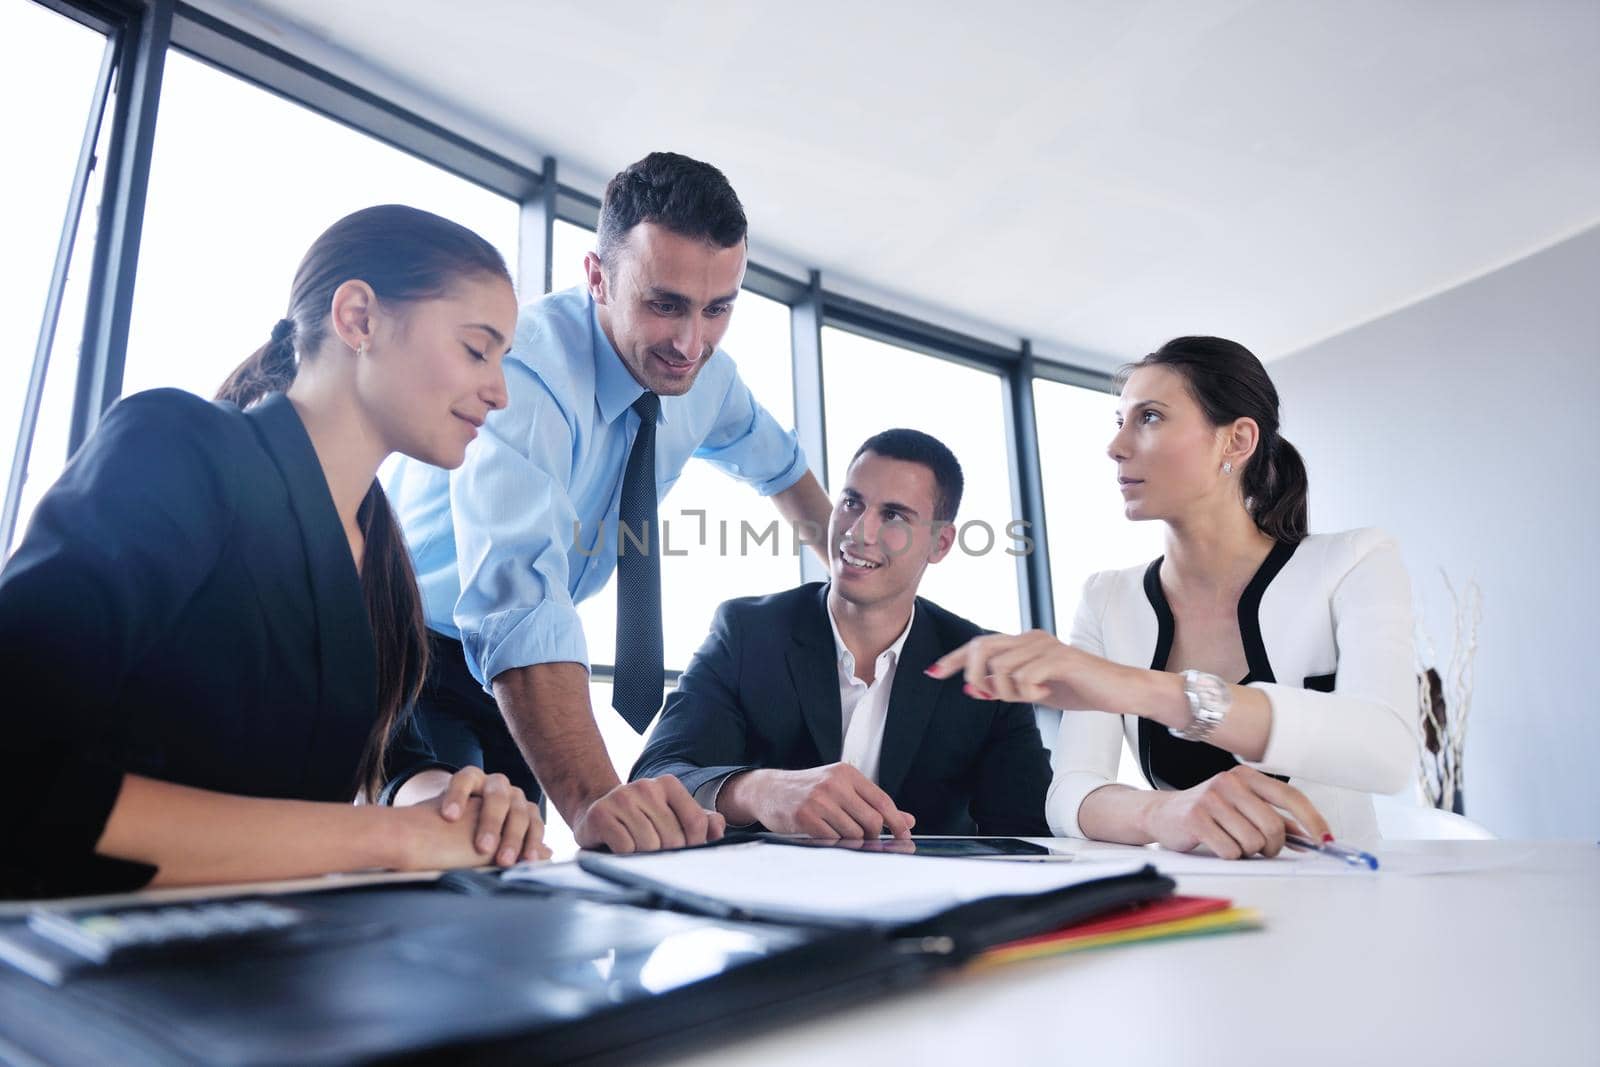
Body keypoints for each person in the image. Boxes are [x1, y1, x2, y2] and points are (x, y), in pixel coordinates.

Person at [0, 205, 548, 898]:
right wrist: (391, 840)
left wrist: (451, 806)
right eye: (477, 349)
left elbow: (388, 755)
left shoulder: (378, 553)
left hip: (252, 963)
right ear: (358, 318)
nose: (498, 391)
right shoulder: (178, 447)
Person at [384, 152, 834, 854]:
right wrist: (596, 799)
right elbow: (519, 596)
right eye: (665, 304)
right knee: (449, 847)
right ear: (597, 276)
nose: (692, 343)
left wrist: (852, 569)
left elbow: (778, 462)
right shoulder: (527, 368)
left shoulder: (709, 381)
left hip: (518, 676)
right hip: (407, 639)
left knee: (514, 878)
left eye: (718, 309)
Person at [928, 336, 1416, 855]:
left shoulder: (1354, 562)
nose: (1116, 447)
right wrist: (1160, 812)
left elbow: (1386, 750)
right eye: (1120, 422)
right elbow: (1069, 793)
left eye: (1151, 418)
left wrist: (1139, 689)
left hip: (1343, 904)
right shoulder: (1107, 598)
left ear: (1236, 441)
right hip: (1188, 908)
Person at [632, 429, 1051, 839]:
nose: (857, 532)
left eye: (893, 515)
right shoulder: (748, 632)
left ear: (939, 543)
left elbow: (1032, 831)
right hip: (765, 898)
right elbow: (658, 776)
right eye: (852, 502)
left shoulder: (984, 667)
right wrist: (759, 790)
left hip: (927, 903)